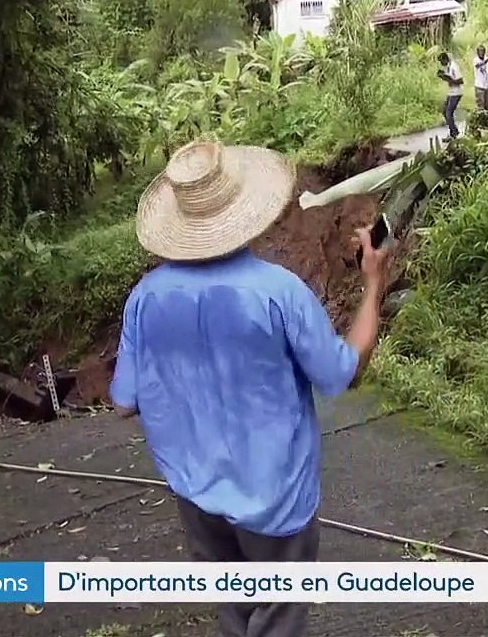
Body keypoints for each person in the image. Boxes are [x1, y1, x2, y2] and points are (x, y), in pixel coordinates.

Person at [110, 140, 392, 637]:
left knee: (233, 612)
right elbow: (338, 373)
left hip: (195, 495)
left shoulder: (143, 299)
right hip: (275, 498)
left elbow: (123, 401)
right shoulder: (279, 292)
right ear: (245, 210)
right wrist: (373, 284)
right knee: (277, 619)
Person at [437, 52, 463, 139]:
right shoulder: (448, 66)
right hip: (451, 92)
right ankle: (454, 130)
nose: (441, 63)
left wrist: (448, 79)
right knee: (445, 111)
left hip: (456, 93)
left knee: (448, 113)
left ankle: (453, 134)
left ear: (445, 59)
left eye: (442, 61)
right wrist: (444, 76)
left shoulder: (454, 67)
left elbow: (460, 80)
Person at [473, 45, 488, 112]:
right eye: (480, 51)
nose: (482, 53)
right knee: (481, 107)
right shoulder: (475, 60)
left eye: (483, 51)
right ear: (477, 52)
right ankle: (481, 121)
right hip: (479, 86)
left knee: (487, 106)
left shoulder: (486, 59)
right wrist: (487, 59)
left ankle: (487, 121)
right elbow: (478, 65)